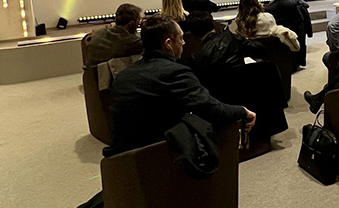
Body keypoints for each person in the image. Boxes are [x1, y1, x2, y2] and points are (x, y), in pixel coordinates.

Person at [105, 15, 255, 157]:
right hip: (158, 156)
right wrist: (243, 112)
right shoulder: (175, 72)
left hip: (122, 158)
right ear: (168, 44)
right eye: (181, 38)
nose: (184, 43)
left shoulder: (123, 76)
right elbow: (212, 110)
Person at [185, 10, 273, 86]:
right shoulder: (233, 38)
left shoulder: (196, 57)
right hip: (246, 88)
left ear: (193, 34)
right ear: (213, 24)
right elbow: (261, 51)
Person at [84, 3, 144, 68]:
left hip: (91, 73)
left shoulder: (100, 33)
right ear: (131, 24)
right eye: (138, 22)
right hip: (106, 74)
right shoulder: (131, 42)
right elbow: (149, 46)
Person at [265, 0, 307, 67]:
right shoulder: (292, 4)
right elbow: (300, 20)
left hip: (278, 38)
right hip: (294, 33)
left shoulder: (267, 9)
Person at [235, 0, 299, 51]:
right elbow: (274, 33)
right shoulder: (267, 17)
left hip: (253, 54)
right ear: (257, 4)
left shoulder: (240, 21)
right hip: (274, 51)